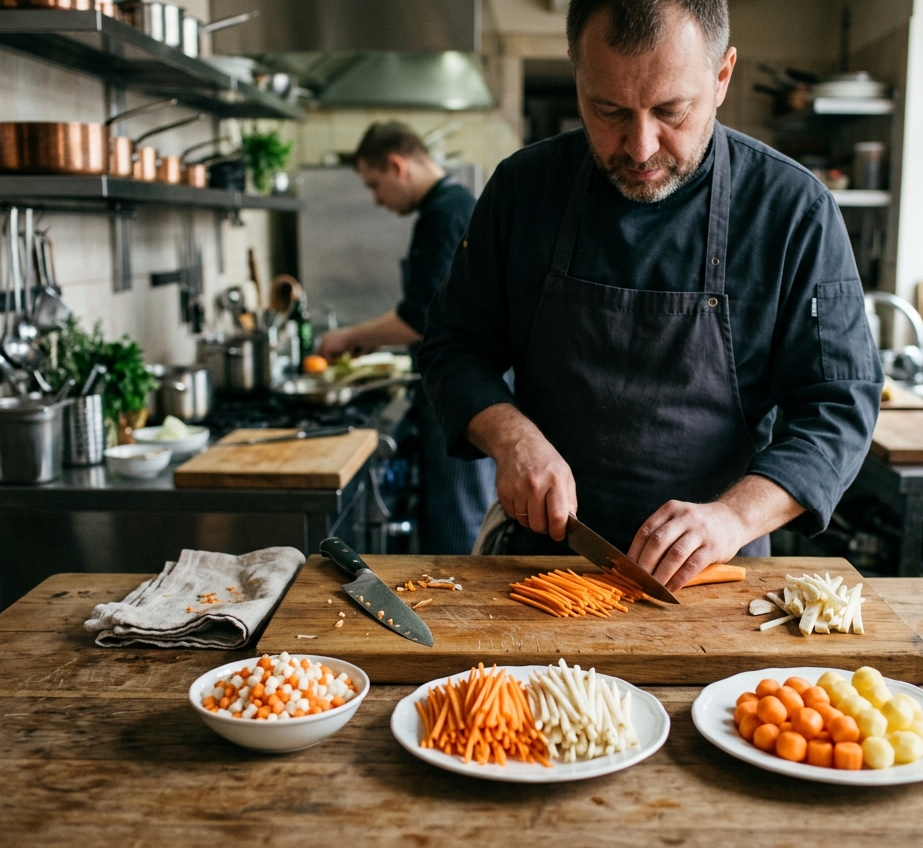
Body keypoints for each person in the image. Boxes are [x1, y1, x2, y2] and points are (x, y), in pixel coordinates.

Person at [418, 0, 883, 588]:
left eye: (671, 111)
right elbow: (453, 347)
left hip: (714, 576)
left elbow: (837, 406)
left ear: (722, 77)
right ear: (577, 73)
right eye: (607, 109)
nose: (639, 147)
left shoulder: (792, 211)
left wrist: (733, 517)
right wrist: (511, 437)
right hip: (539, 569)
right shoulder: (522, 190)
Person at [317, 122, 496, 555]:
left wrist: (348, 336)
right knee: (455, 512)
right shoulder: (450, 206)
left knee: (457, 521)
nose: (377, 200)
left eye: (375, 185)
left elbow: (420, 319)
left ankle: (457, 616)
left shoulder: (444, 213)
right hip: (462, 387)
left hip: (461, 390)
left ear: (397, 166)